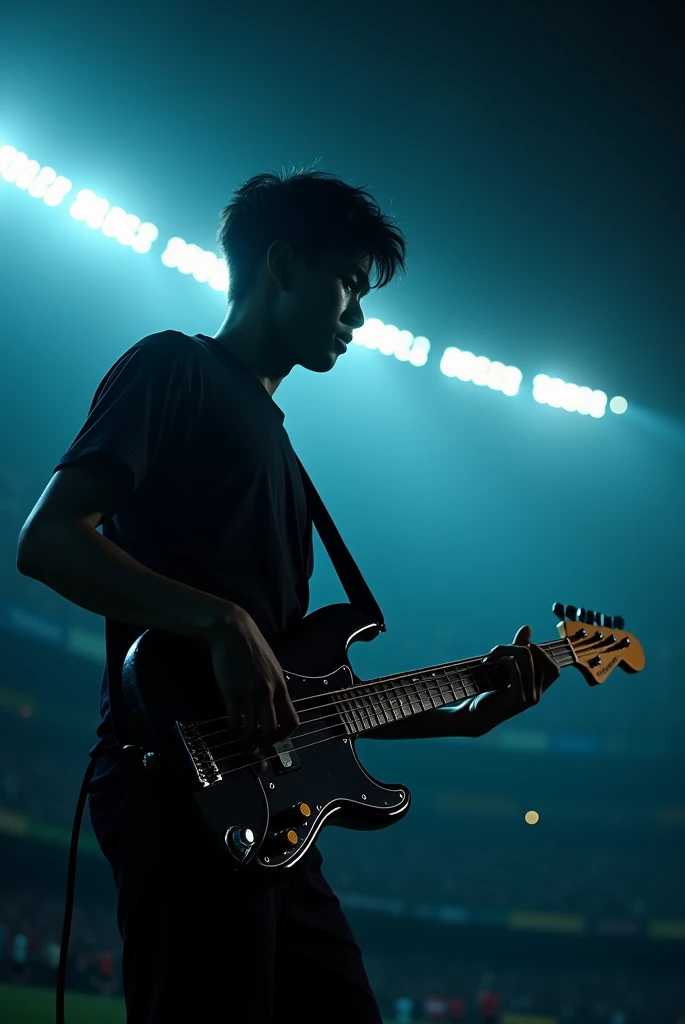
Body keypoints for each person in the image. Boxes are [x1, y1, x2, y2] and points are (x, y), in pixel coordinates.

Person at [17, 166, 561, 1023]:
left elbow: (306, 696)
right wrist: (219, 619)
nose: (357, 314)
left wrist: (468, 712)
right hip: (176, 792)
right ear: (280, 265)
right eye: (347, 283)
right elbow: (46, 540)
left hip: (276, 817)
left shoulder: (285, 455)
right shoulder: (173, 368)